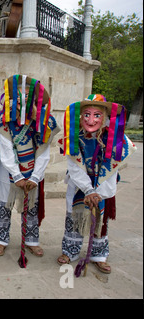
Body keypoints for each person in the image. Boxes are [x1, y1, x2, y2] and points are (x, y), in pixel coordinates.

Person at [57, 94, 136, 274]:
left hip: (104, 186)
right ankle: (70, 250)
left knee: (101, 220)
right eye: (86, 114)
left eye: (96, 115)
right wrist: (87, 190)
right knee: (75, 217)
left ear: (105, 117)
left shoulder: (117, 139)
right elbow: (74, 167)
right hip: (80, 185)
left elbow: (112, 169)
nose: (90, 119)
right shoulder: (73, 138)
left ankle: (99, 255)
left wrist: (97, 192)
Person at [0, 74, 60, 259]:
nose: (24, 99)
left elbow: (44, 151)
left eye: (28, 95)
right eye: (20, 95)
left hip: (33, 170)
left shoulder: (46, 121)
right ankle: (1, 239)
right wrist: (18, 175)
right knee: (4, 204)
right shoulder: (4, 119)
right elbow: (5, 150)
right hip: (9, 171)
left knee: (31, 205)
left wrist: (35, 176)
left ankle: (31, 240)